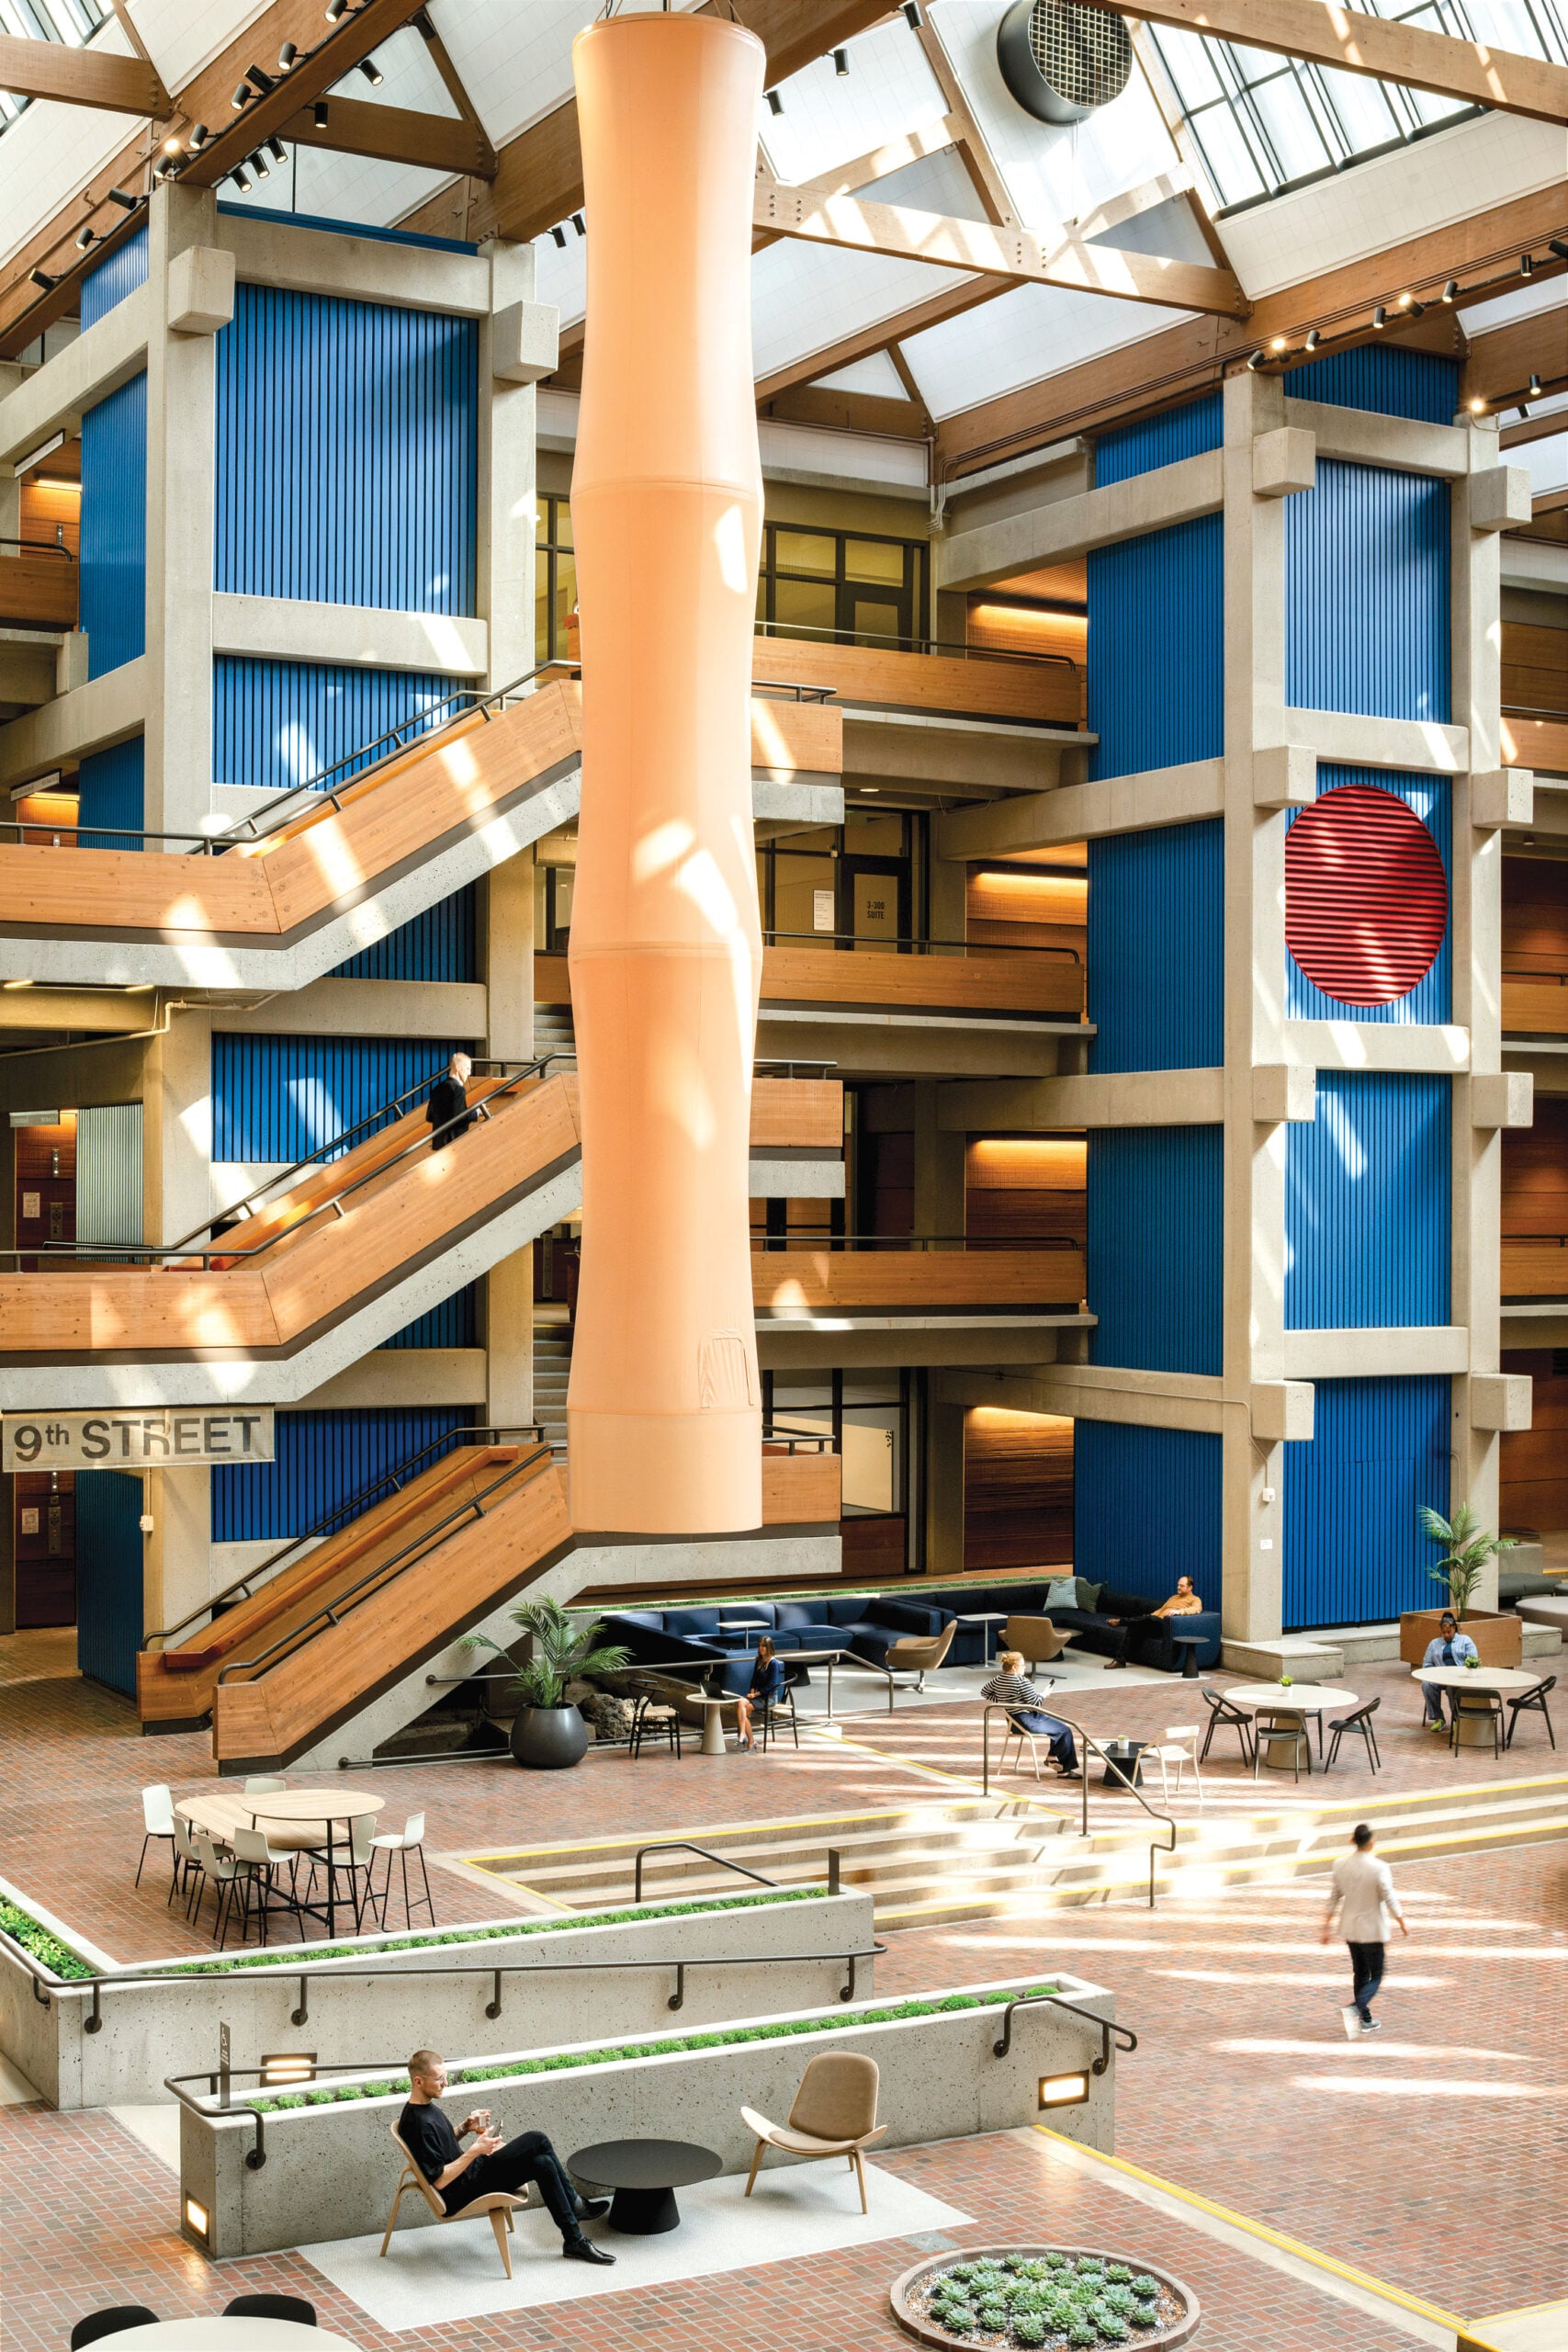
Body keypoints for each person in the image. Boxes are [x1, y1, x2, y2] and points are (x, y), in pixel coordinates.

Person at [398, 2049, 615, 2265]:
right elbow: (440, 2180)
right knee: (537, 2139)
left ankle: (574, 2240)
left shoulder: (426, 2109)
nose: (445, 2083)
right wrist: (475, 2150)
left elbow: (440, 2149)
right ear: (418, 2081)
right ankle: (576, 2205)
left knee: (543, 2163)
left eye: (445, 2077)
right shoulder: (418, 2124)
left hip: (472, 2174)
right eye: (439, 2079)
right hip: (462, 2189)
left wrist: (465, 2128)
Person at [1319, 1823, 1407, 2039]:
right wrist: (1401, 1920)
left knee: (1360, 1973)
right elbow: (1388, 1896)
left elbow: (1334, 1897)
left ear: (1352, 1840)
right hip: (1372, 1929)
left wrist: (1326, 1925)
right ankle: (1356, 2008)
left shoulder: (1340, 1865)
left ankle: (1365, 2019)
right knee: (1376, 1975)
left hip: (1350, 1928)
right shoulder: (1379, 1868)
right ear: (1372, 1843)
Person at [982, 1651, 1079, 1776]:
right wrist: (1044, 1694)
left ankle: (1051, 1759)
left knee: (1058, 1728)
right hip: (1027, 1720)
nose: (1024, 1667)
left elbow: (985, 1692)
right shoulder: (1022, 1682)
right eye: (1022, 1665)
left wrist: (1003, 1702)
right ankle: (1064, 1770)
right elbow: (1036, 1703)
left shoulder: (998, 1679)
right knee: (1064, 1730)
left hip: (1013, 1723)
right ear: (1014, 1667)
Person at [1103, 1575, 1203, 1669]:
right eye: (1178, 1585)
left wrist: (1179, 1611)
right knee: (1134, 1627)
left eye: (1182, 1586)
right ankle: (1119, 1661)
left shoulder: (1195, 1599)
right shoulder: (1174, 1597)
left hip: (1166, 1625)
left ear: (1190, 1587)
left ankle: (1121, 1622)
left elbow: (1196, 1609)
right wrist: (1149, 1617)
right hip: (1155, 1623)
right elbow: (1160, 1610)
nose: (1178, 1587)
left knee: (1150, 1619)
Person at [1420, 1611, 1479, 1732]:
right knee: (1427, 1684)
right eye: (1444, 1632)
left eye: (1449, 1632)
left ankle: (1457, 1719)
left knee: (1452, 1689)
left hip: (1459, 1678)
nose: (1446, 1635)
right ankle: (1438, 1718)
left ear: (1454, 1628)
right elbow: (1426, 1664)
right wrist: (1435, 1674)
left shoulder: (1465, 1640)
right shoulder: (1433, 1644)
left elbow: (1473, 1660)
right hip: (1440, 1678)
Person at [734, 1634, 786, 1752]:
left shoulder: (774, 1664)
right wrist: (752, 1692)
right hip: (758, 1696)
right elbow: (754, 1680)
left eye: (764, 1646)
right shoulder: (759, 1661)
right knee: (740, 1703)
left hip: (769, 1698)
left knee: (745, 1710)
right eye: (759, 1646)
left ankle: (747, 1738)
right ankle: (744, 1735)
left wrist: (755, 1695)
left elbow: (771, 1686)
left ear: (769, 1647)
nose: (761, 1648)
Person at [426, 1051, 476, 1151]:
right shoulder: (458, 1089)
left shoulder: (437, 1088)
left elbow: (430, 1117)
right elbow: (459, 1117)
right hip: (455, 1143)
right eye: (468, 1068)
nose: (469, 1073)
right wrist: (475, 1113)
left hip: (439, 1143)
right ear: (458, 1068)